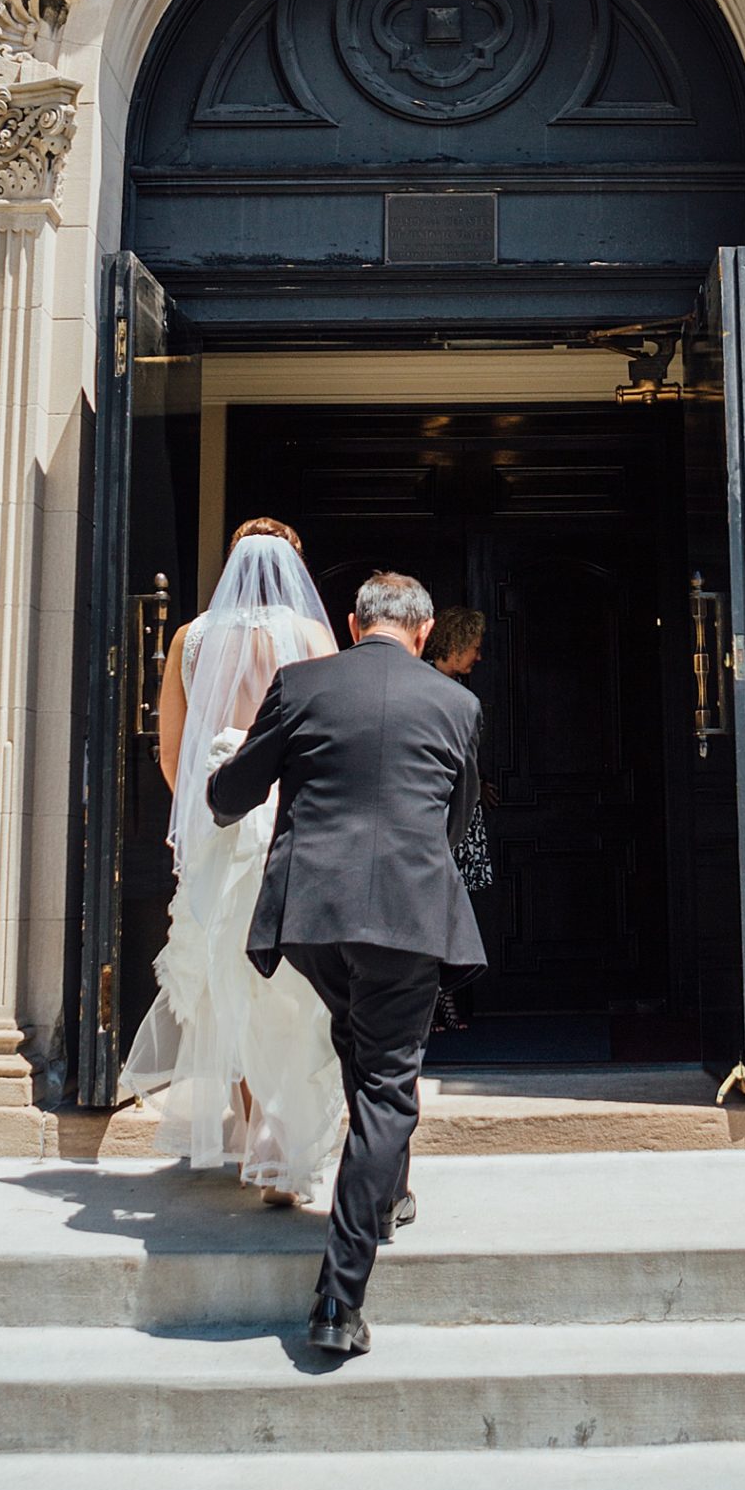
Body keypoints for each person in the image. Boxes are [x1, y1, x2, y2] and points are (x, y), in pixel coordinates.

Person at [208, 570, 484, 1357]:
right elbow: (455, 822)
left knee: (364, 1050)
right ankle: (337, 1302)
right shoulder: (457, 705)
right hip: (405, 913)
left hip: (313, 918)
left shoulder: (300, 686)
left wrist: (217, 788)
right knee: (388, 1087)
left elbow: (234, 793)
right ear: (425, 633)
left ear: (354, 623)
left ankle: (388, 1192)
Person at [118, 519, 344, 1207]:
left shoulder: (191, 637)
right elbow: (334, 730)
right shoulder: (308, 636)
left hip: (221, 824)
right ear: (295, 566)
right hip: (292, 825)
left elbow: (170, 752)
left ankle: (248, 1136)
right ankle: (285, 1144)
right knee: (294, 986)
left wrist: (205, 817)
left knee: (228, 982)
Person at [426, 606, 494, 1036]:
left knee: (448, 915)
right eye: (473, 647)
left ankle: (443, 1004)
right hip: (442, 821)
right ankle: (438, 1005)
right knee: (437, 916)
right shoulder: (437, 692)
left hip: (460, 817)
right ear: (452, 646)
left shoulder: (455, 694)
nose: (478, 657)